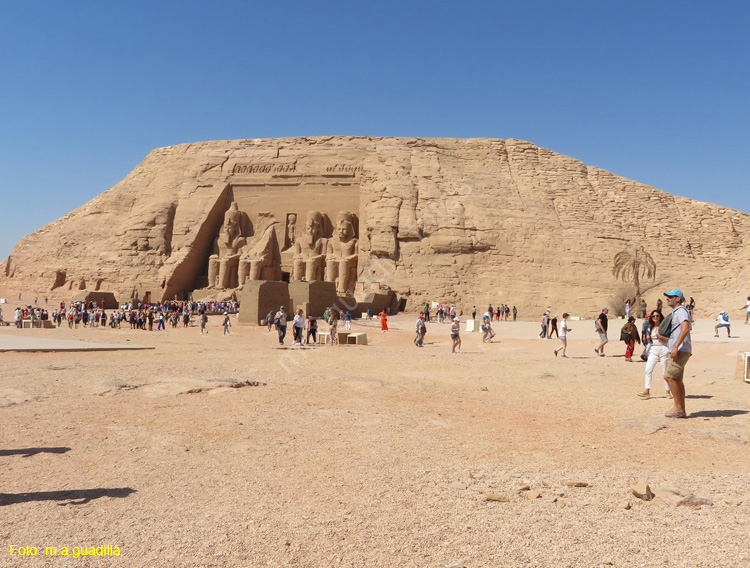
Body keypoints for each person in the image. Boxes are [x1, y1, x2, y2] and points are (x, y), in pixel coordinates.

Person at [662, 289, 692, 419]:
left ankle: (678, 408)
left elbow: (685, 328)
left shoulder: (681, 311)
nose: (667, 298)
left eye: (670, 296)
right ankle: (681, 409)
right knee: (677, 380)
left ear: (678, 298)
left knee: (669, 377)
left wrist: (675, 346)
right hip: (681, 349)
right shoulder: (678, 311)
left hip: (680, 350)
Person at [638, 310, 671, 399]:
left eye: (657, 316)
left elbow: (670, 339)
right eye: (653, 316)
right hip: (654, 349)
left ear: (660, 317)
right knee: (648, 369)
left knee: (665, 371)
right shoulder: (650, 327)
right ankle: (647, 391)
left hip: (663, 348)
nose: (655, 318)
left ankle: (668, 391)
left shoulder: (664, 327)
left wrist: (661, 337)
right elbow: (647, 338)